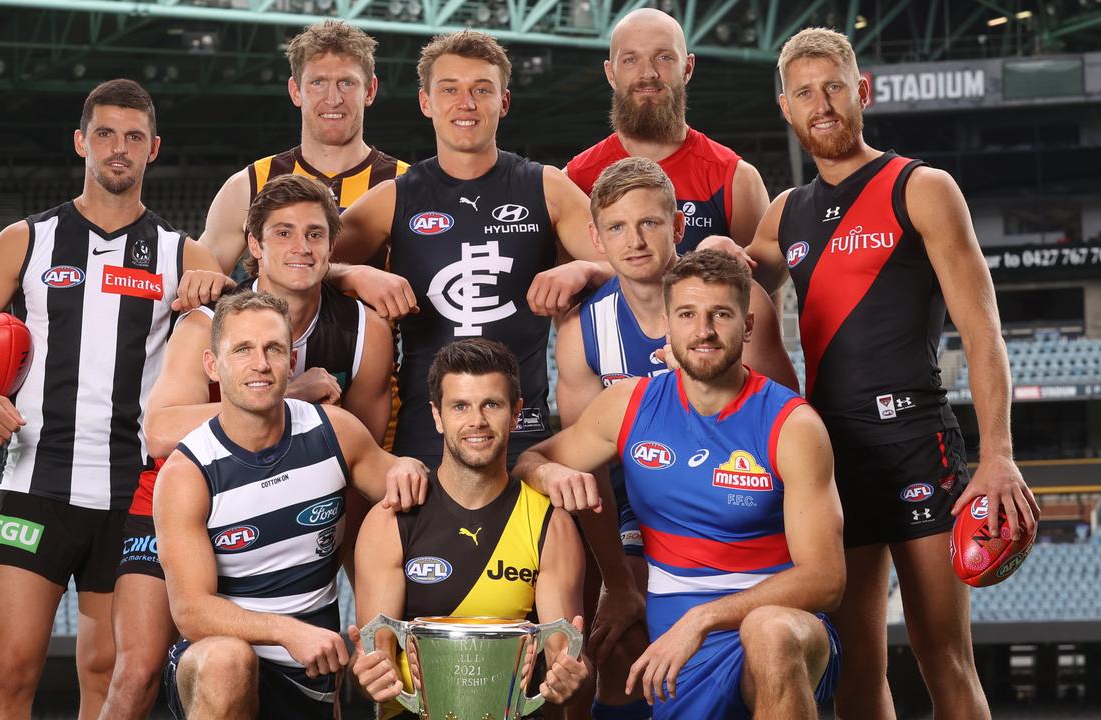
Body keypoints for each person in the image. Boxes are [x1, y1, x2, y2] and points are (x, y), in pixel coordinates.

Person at [701, 27, 1040, 718]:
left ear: (861, 91)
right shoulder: (784, 211)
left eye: (833, 86)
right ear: (785, 110)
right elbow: (732, 271)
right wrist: (715, 245)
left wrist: (999, 453)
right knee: (855, 666)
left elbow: (983, 332)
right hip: (830, 453)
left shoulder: (920, 188)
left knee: (944, 657)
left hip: (917, 436)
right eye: (804, 93)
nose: (820, 103)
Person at [0, 79, 225, 719]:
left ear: (153, 149)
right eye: (106, 134)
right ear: (81, 141)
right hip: (38, 481)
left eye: (134, 137)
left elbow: (247, 336)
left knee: (110, 679)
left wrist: (220, 289)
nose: (119, 148)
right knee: (8, 675)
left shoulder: (182, 254)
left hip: (133, 493)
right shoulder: (26, 241)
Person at [101, 174, 395, 718]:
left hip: (288, 493)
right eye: (282, 233)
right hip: (183, 491)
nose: (299, 248)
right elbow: (161, 429)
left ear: (332, 249)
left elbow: (361, 470)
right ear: (254, 245)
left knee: (320, 670)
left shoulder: (363, 330)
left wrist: (368, 609)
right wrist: (283, 394)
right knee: (137, 671)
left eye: (314, 236)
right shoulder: (209, 318)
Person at [515, 250, 845, 719]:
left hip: (781, 625)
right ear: (667, 325)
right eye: (688, 315)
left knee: (768, 633)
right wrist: (549, 472)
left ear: (747, 327)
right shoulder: (630, 404)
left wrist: (704, 618)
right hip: (675, 641)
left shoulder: (791, 424)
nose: (704, 330)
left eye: (721, 315)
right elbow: (529, 459)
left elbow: (826, 579)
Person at [327, 30, 612, 469]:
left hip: (523, 435)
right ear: (426, 102)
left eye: (482, 89)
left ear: (504, 102)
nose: (467, 103)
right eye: (449, 90)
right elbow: (299, 266)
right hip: (425, 436)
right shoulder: (395, 197)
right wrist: (354, 274)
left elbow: (634, 267)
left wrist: (584, 271)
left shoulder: (546, 187)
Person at [153, 290, 427, 720]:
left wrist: (409, 465)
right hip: (222, 662)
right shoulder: (188, 472)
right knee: (227, 662)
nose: (260, 364)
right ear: (213, 365)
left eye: (273, 349)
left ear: (291, 360)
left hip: (312, 669)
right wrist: (287, 632)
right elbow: (190, 610)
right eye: (242, 350)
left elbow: (402, 481)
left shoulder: (333, 431)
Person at [348, 339, 590, 720]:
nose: (476, 420)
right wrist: (369, 676)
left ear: (515, 414)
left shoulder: (549, 524)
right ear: (437, 416)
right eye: (460, 406)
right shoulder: (392, 519)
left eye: (491, 404)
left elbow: (564, 658)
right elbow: (374, 653)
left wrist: (572, 679)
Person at [564, 8, 797, 391]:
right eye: (631, 59)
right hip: (614, 392)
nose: (648, 73)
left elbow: (762, 303)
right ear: (611, 73)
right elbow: (569, 307)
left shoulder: (734, 177)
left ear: (687, 68)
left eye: (663, 57)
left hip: (713, 389)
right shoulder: (575, 179)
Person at [555, 156, 682, 718]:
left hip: (726, 500)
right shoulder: (584, 330)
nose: (634, 240)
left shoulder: (726, 303)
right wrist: (617, 580)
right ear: (596, 239)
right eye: (617, 227)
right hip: (635, 512)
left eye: (650, 223)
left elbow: (781, 421)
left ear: (678, 227)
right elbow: (587, 468)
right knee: (620, 643)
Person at [199, 19, 409, 274]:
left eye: (347, 83)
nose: (333, 99)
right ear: (296, 91)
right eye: (318, 82)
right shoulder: (249, 184)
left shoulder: (407, 185)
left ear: (370, 90)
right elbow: (199, 288)